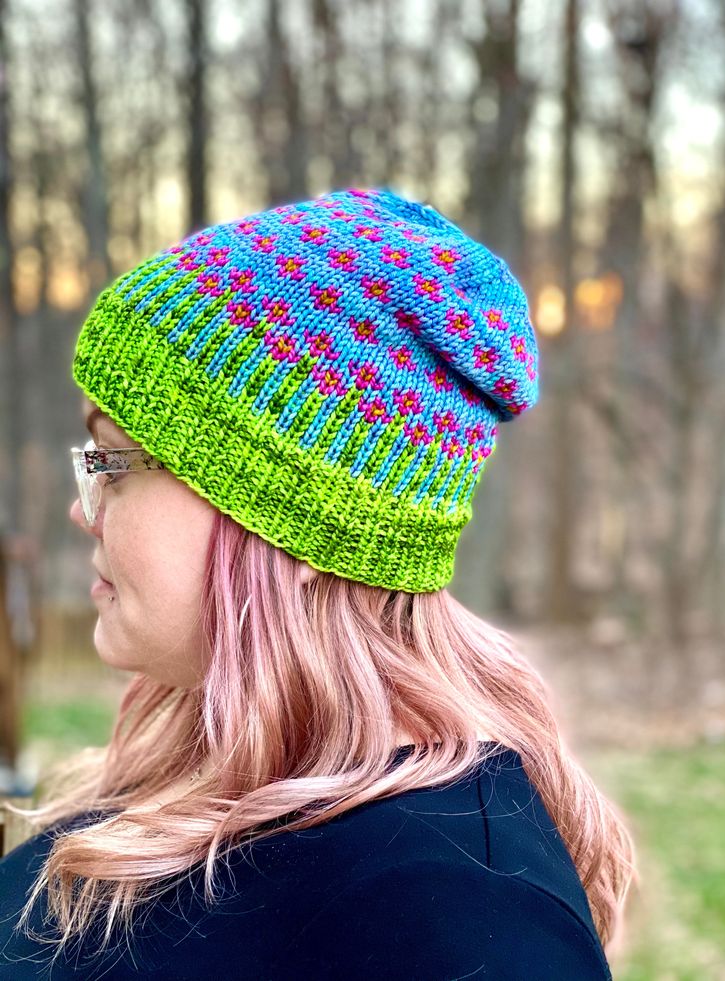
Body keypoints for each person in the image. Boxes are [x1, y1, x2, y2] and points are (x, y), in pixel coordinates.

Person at [0, 187, 634, 979]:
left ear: (299, 520)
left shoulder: (456, 915)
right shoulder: (215, 766)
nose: (81, 507)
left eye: (116, 462)